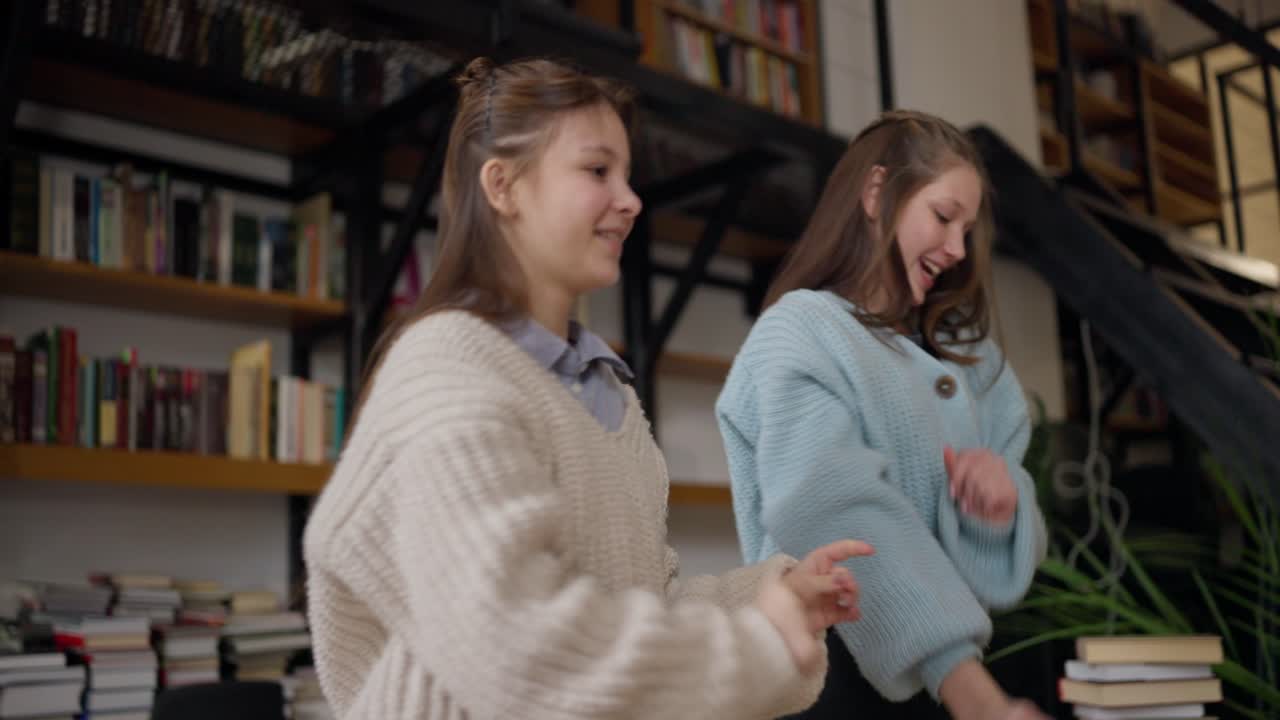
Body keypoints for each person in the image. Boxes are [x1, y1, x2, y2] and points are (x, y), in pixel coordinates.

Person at [302, 56, 875, 720]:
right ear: (503, 186)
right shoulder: (446, 371)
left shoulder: (609, 394)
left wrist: (770, 596)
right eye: (598, 171)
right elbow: (515, 649)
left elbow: (633, 603)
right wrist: (758, 639)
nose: (630, 200)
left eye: (627, 175)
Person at [715, 110, 1050, 720]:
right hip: (830, 682)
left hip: (956, 680)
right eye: (943, 217)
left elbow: (997, 565)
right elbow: (831, 504)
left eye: (967, 230)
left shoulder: (976, 366)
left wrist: (999, 509)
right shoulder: (799, 332)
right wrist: (972, 694)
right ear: (876, 192)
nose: (956, 249)